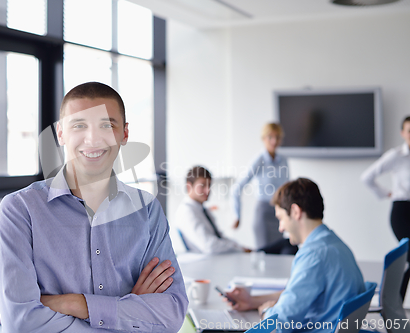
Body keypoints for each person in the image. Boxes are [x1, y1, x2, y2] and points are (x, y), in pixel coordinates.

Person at [0, 82, 188, 332]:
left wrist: (78, 304)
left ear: (124, 133)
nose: (93, 139)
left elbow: (171, 313)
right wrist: (127, 310)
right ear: (61, 133)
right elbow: (21, 323)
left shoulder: (147, 210)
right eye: (79, 125)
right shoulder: (20, 210)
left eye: (107, 125)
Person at [225, 178, 365, 333]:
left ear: (295, 212)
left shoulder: (313, 255)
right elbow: (296, 294)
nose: (280, 228)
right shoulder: (335, 245)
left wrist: (266, 313)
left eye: (281, 218)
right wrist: (252, 301)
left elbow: (279, 326)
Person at [361, 115, 410, 299]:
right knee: (408, 255)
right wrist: (385, 193)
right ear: (403, 133)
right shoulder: (396, 155)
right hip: (402, 211)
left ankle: (393, 302)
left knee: (407, 258)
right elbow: (367, 177)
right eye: (409, 130)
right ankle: (392, 302)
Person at [176, 166, 248, 254]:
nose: (208, 190)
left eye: (209, 185)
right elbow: (209, 246)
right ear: (189, 187)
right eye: (202, 186)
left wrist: (240, 247)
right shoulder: (186, 211)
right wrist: (239, 249)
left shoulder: (203, 210)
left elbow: (219, 237)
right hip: (203, 262)